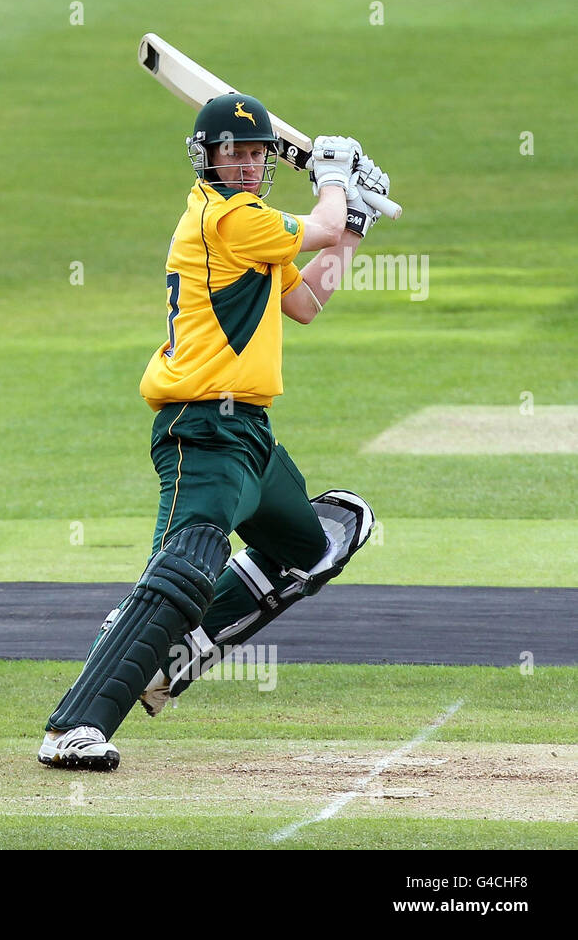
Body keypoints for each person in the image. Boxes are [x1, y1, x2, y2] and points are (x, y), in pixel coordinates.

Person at [39, 93, 388, 770]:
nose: (251, 164)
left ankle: (167, 647)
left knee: (314, 546)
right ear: (208, 159)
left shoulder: (254, 227)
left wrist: (353, 228)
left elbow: (307, 301)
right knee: (188, 563)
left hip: (249, 435)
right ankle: (73, 727)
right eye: (237, 152)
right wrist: (339, 182)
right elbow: (315, 226)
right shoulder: (228, 218)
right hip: (200, 426)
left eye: (259, 153)